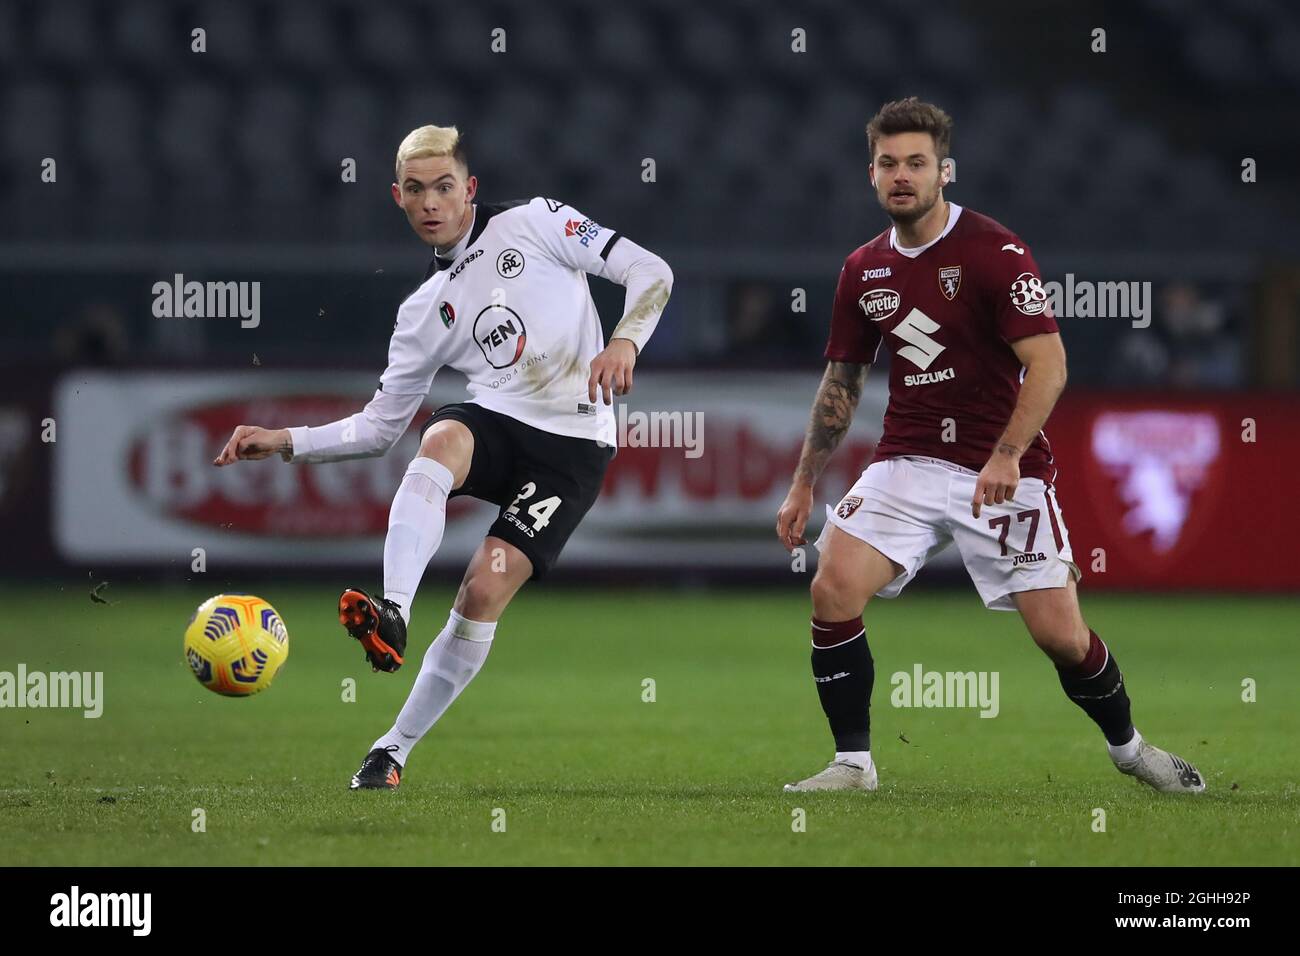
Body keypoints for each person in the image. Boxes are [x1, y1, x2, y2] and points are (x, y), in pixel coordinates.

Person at [214, 125, 673, 789]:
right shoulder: (422, 314)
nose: (432, 201)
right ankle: (394, 610)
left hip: (573, 446)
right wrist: (286, 441)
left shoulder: (535, 222)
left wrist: (626, 340)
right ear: (397, 197)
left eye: (445, 186)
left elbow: (650, 270)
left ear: (470, 189)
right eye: (417, 190)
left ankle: (391, 750)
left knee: (483, 590)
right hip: (496, 424)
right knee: (440, 439)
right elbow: (378, 428)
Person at [775, 98, 1204, 794]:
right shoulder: (863, 269)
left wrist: (1006, 454)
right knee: (831, 586)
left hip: (1002, 468)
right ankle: (853, 765)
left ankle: (1130, 750)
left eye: (916, 163)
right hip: (907, 460)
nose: (902, 176)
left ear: (945, 171)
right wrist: (804, 482)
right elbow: (842, 382)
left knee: (1059, 635)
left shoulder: (992, 251)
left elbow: (1050, 363)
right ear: (872, 175)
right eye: (889, 164)